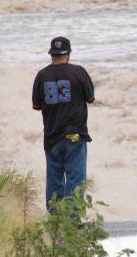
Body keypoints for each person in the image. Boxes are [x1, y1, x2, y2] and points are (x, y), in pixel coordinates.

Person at [32, 36, 95, 212]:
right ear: (68, 54)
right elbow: (90, 98)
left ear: (51, 54)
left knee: (54, 178)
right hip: (74, 135)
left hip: (51, 136)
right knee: (75, 178)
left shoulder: (41, 75)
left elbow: (36, 105)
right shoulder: (78, 72)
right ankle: (72, 221)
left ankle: (55, 222)